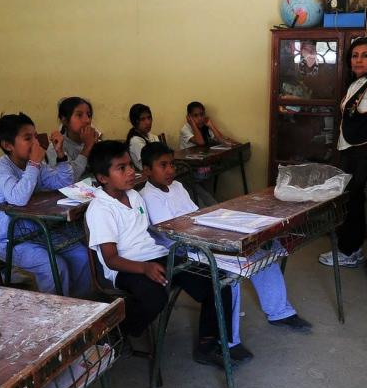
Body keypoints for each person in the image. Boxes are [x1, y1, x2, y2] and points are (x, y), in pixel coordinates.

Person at [85, 141, 250, 368]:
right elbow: (111, 259)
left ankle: (208, 343)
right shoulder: (100, 209)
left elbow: (147, 234)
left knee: (218, 279)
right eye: (121, 168)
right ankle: (118, 331)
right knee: (155, 297)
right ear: (103, 178)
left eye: (130, 165)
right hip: (126, 267)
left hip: (158, 255)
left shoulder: (133, 195)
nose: (130, 171)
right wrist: (144, 268)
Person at [141, 142, 311, 334]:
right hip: (183, 250)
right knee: (231, 275)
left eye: (172, 164)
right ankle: (229, 341)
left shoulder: (177, 186)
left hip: (202, 238)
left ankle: (280, 312)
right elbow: (172, 232)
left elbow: (195, 214)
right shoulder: (148, 196)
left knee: (263, 252)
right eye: (163, 165)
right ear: (146, 170)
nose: (170, 170)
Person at [0, 113, 91, 296]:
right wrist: (34, 163)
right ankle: (55, 316)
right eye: (28, 138)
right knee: (55, 266)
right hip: (10, 240)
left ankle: (81, 306)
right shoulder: (0, 168)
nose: (35, 143)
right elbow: (17, 198)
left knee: (82, 256)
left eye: (35, 136)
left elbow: (63, 182)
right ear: (7, 145)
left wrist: (60, 155)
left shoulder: (35, 164)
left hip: (37, 232)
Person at [318, 37, 367, 268]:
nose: (358, 60)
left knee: (352, 202)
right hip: (349, 151)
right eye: (354, 55)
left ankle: (348, 251)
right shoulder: (357, 84)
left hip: (361, 153)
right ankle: (353, 249)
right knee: (350, 201)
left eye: (365, 55)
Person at [57, 96, 99, 180]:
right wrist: (87, 147)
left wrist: (98, 147)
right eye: (79, 115)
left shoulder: (93, 141)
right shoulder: (57, 147)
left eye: (89, 115)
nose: (87, 120)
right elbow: (68, 179)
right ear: (64, 120)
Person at [126, 103, 155, 170]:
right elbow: (151, 163)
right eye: (143, 119)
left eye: (149, 117)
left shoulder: (150, 136)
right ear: (135, 122)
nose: (148, 122)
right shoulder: (135, 141)